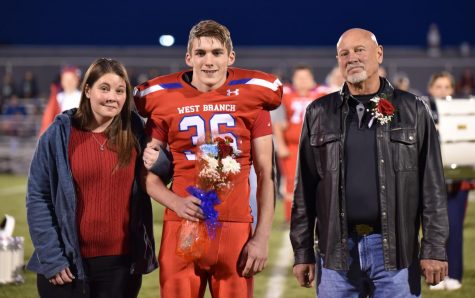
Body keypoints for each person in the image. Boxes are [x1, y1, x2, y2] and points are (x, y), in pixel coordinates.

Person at [290, 28, 449, 297]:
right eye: (344, 53)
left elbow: (432, 186)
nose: (351, 58)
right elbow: (304, 190)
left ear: (379, 53)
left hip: (396, 251)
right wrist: (303, 252)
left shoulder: (413, 109)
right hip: (336, 252)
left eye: (359, 50)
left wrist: (434, 247)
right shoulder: (318, 112)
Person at [134, 19, 282, 298]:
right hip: (182, 224)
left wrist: (261, 237)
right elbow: (148, 175)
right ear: (188, 57)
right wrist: (175, 202)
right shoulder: (163, 100)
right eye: (200, 53)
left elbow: (266, 174)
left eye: (217, 53)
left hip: (235, 227)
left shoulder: (253, 97)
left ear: (231, 57)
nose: (209, 61)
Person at [26, 58, 169, 298]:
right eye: (104, 88)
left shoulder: (134, 129)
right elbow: (38, 197)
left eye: (120, 90)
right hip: (67, 265)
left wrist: (161, 161)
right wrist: (52, 258)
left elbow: (162, 175)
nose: (113, 97)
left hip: (121, 268)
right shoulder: (59, 133)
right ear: (88, 90)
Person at [427, 71, 475, 291]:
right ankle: (435, 275)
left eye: (447, 87)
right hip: (430, 181)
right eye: (439, 86)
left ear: (453, 90)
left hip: (458, 181)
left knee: (454, 226)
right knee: (432, 229)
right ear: (431, 89)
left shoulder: (462, 112)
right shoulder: (422, 112)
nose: (443, 91)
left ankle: (454, 274)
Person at [272, 65, 325, 223]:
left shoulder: (322, 94)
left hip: (316, 145)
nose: (302, 82)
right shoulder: (285, 95)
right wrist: (281, 145)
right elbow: (277, 122)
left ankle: (316, 215)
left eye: (305, 78)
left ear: (312, 79)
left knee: (317, 180)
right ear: (293, 80)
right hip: (292, 145)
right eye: (299, 78)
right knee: (291, 181)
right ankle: (291, 217)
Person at [39, 66, 82, 135]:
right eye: (66, 79)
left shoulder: (82, 98)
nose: (68, 82)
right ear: (62, 81)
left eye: (71, 79)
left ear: (77, 80)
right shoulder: (57, 98)